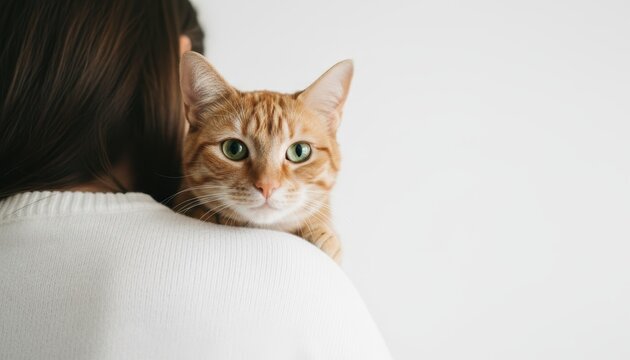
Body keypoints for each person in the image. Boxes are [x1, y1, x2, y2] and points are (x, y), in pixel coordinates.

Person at [0, 0, 391, 359]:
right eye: (235, 150)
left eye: (297, 153)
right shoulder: (291, 278)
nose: (266, 183)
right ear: (181, 68)